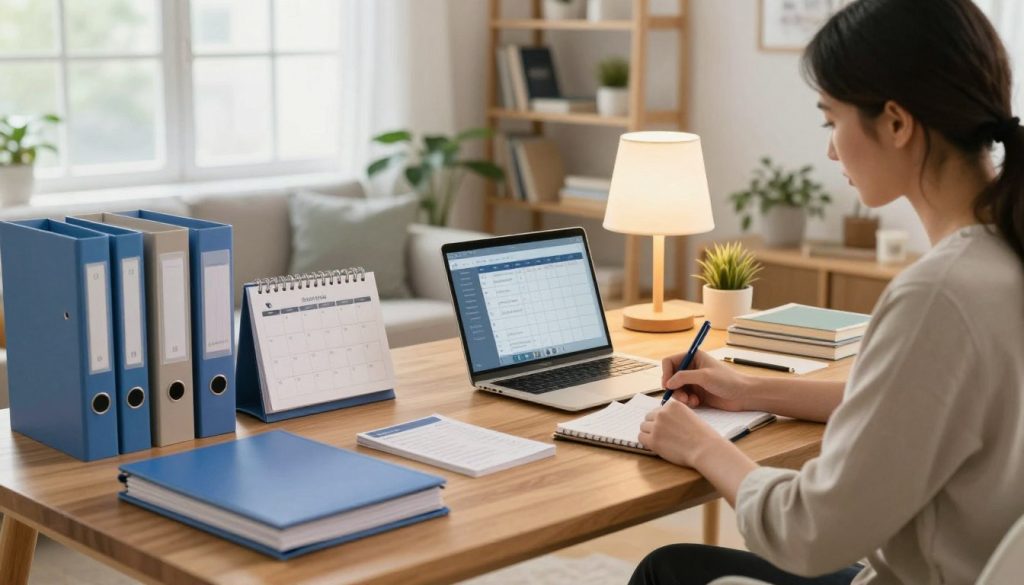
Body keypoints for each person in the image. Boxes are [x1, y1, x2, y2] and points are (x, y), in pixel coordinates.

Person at [629, 0, 1024, 583]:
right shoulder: (1003, 256)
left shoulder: (939, 295)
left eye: (830, 119)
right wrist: (746, 390)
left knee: (669, 571)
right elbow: (911, 410)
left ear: (896, 122)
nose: (832, 149)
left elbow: (809, 533)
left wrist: (700, 447)